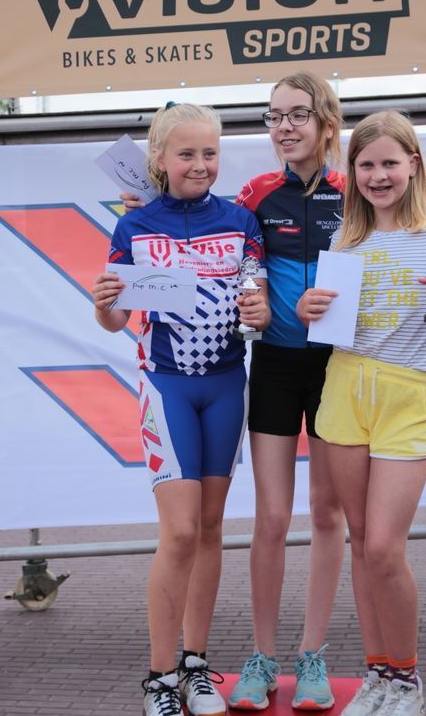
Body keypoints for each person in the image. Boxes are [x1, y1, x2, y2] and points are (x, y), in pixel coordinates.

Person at [121, 72, 349, 711]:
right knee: (270, 519)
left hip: (338, 367)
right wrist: (147, 202)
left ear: (326, 121)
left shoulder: (354, 189)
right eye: (275, 115)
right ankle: (261, 656)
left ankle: (311, 654)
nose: (285, 126)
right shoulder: (253, 196)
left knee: (326, 515)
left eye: (298, 114)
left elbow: (415, 223)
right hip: (272, 366)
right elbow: (191, 224)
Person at [297, 111, 426, 716]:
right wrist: (308, 308)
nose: (378, 175)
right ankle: (378, 675)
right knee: (360, 542)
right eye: (366, 164)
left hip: (411, 393)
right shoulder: (346, 237)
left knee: (384, 546)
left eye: (389, 162)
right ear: (352, 172)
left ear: (414, 164)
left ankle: (406, 680)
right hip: (345, 389)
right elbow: (327, 316)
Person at [93, 102, 270, 716]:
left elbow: (256, 297)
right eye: (187, 153)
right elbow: (116, 318)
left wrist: (259, 310)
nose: (200, 164)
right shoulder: (135, 226)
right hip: (166, 387)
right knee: (181, 531)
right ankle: (159, 678)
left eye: (209, 153)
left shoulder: (242, 220)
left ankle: (195, 665)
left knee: (212, 527)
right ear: (160, 159)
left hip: (226, 386)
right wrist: (104, 303)